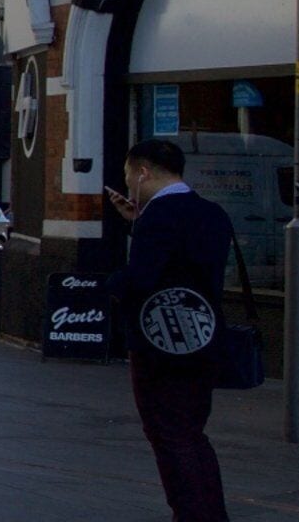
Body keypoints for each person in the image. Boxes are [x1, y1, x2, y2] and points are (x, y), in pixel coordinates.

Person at [111, 135, 235, 522]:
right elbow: (185, 265)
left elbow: (143, 278)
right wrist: (139, 223)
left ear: (144, 172)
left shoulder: (159, 218)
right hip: (203, 337)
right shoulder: (213, 213)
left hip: (160, 344)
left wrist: (109, 284)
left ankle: (193, 514)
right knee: (192, 432)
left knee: (168, 435)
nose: (130, 184)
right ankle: (209, 512)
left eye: (130, 176)